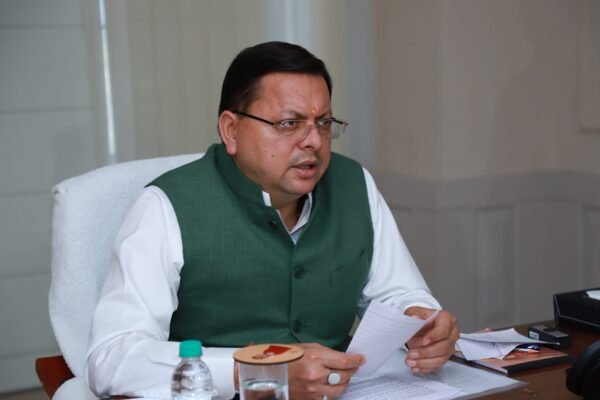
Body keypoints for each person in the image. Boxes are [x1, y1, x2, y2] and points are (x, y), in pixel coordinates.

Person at [85, 41, 459, 400]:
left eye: (323, 122)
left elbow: (397, 292)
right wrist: (257, 371)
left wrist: (420, 323)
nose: (314, 141)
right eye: (289, 123)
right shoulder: (165, 206)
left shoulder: (354, 184)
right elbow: (112, 357)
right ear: (231, 130)